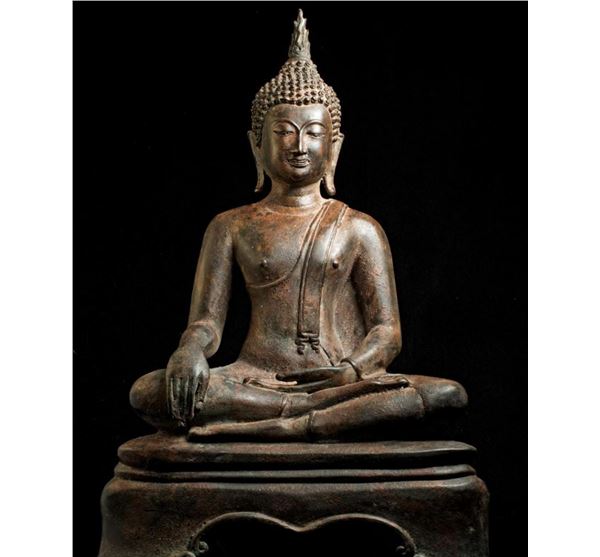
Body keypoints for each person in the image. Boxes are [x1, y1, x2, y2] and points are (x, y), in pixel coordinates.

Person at [130, 10, 467, 441]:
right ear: (257, 145)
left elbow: (387, 332)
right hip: (255, 379)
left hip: (340, 382)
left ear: (334, 146)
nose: (299, 145)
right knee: (149, 391)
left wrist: (351, 372)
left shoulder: (359, 228)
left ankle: (289, 421)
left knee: (446, 394)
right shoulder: (231, 226)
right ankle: (305, 417)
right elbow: (207, 324)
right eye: (284, 132)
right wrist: (188, 351)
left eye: (313, 132)